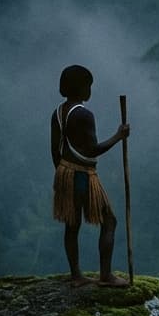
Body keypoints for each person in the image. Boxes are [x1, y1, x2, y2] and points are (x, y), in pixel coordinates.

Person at [51, 64, 130, 285]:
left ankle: (76, 275)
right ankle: (106, 275)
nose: (90, 90)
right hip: (83, 175)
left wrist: (62, 175)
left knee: (72, 224)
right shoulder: (84, 115)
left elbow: (54, 150)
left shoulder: (58, 113)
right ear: (81, 87)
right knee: (109, 221)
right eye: (89, 85)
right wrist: (118, 136)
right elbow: (93, 149)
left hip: (64, 172)